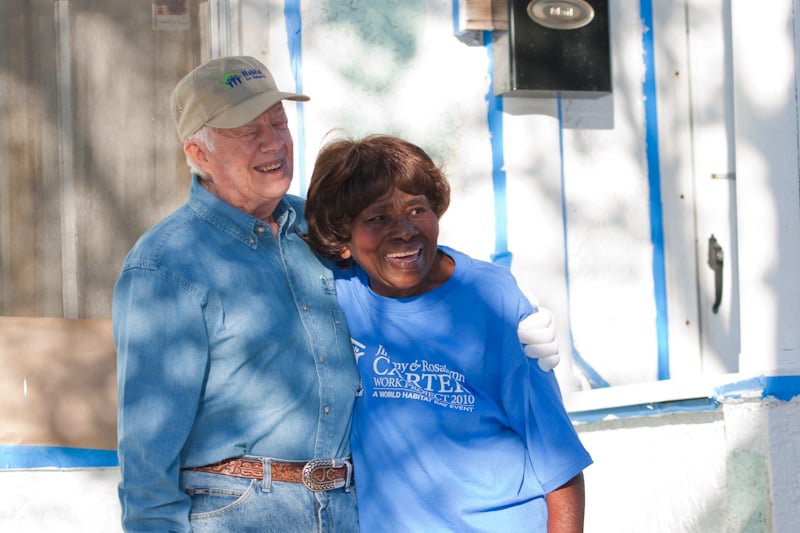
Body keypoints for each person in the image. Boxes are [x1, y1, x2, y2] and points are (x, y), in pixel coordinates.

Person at [112, 56, 362, 532]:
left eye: (278, 122)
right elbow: (146, 454)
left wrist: (502, 308)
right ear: (199, 153)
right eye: (247, 131)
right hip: (237, 511)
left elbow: (410, 259)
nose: (273, 142)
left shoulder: (321, 226)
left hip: (343, 507)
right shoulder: (165, 264)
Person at [304, 134, 592, 532]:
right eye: (378, 217)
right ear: (342, 240)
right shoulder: (337, 293)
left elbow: (557, 457)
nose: (404, 230)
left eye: (417, 209)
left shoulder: (492, 300)